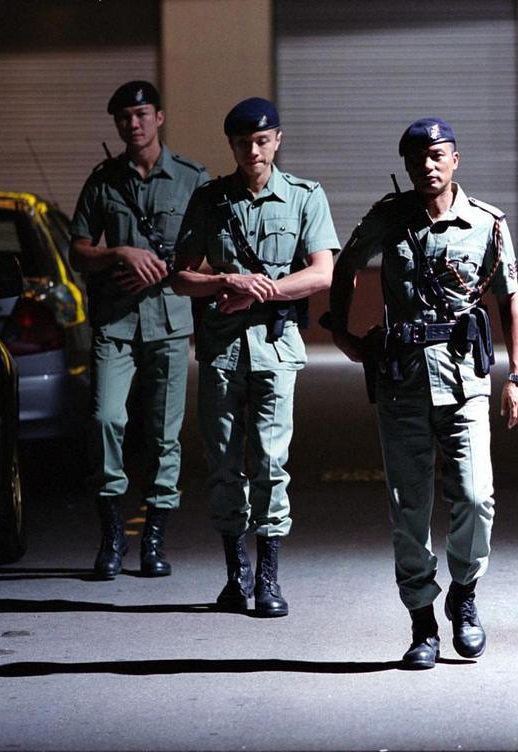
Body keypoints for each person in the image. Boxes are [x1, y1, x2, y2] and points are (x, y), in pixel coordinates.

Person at [329, 118, 518, 668]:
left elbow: (510, 299)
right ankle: (422, 622)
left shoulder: (486, 223)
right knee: (409, 510)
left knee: (473, 496)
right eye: (417, 156)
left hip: (466, 382)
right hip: (402, 384)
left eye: (438, 154)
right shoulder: (387, 219)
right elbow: (346, 265)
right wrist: (343, 334)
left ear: (456, 160)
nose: (428, 164)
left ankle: (464, 596)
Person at [171, 97, 339, 616]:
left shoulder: (305, 197)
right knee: (223, 464)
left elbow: (321, 273)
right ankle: (233, 572)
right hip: (222, 352)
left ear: (277, 140)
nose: (253, 150)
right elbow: (181, 277)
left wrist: (258, 292)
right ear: (232, 146)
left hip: (275, 348)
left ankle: (268, 576)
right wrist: (225, 280)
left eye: (262, 140)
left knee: (270, 462)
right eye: (243, 142)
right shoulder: (211, 200)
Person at [70, 80, 209, 580]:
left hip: (170, 322)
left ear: (160, 117)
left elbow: (214, 250)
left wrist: (173, 270)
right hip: (116, 321)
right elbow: (78, 250)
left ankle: (153, 539)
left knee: (163, 436)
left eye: (142, 114)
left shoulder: (193, 178)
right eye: (124, 117)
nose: (133, 124)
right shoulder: (104, 180)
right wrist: (120, 253)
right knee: (107, 419)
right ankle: (111, 536)